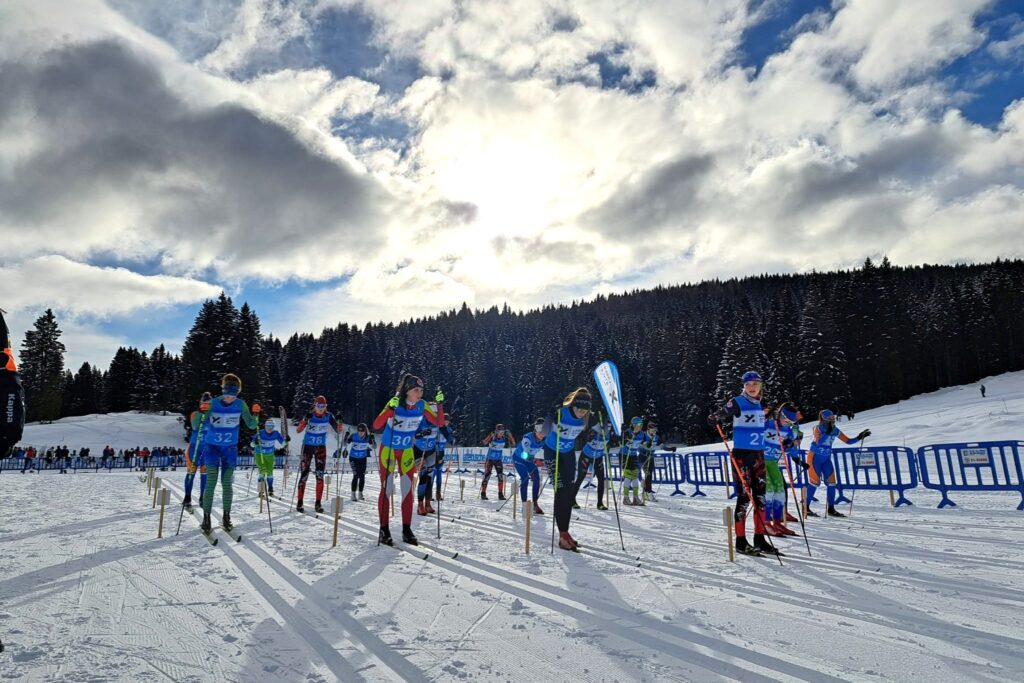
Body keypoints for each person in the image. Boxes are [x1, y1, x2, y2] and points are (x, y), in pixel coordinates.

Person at [373, 374, 445, 546]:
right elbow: (376, 425)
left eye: (421, 390)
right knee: (387, 488)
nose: (419, 394)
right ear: (407, 390)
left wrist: (440, 405)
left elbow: (439, 422)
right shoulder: (396, 402)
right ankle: (384, 529)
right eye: (416, 390)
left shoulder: (422, 405)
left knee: (408, 491)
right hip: (388, 450)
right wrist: (390, 409)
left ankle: (406, 528)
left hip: (406, 451)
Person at [709, 371, 775, 556]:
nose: (752, 387)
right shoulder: (738, 401)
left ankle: (760, 539)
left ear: (760, 386)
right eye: (748, 384)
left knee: (761, 498)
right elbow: (720, 414)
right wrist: (715, 418)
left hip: (759, 455)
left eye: (756, 384)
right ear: (744, 386)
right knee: (745, 498)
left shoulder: (761, 404)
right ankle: (740, 541)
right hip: (742, 456)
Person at [200, 374, 260, 534]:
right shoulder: (212, 403)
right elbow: (199, 424)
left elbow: (252, 424)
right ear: (222, 389)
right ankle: (206, 518)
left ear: (238, 393)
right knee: (211, 480)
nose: (229, 398)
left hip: (230, 449)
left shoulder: (241, 405)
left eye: (233, 395)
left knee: (227, 483)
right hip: (212, 448)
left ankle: (226, 516)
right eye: (227, 394)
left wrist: (256, 414)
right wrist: (202, 411)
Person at [542, 387, 593, 551]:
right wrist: (550, 416)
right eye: (578, 408)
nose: (581, 412)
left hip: (568, 454)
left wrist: (600, 427)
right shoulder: (561, 412)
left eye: (585, 410)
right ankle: (562, 534)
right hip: (552, 453)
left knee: (568, 493)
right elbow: (543, 432)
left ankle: (565, 532)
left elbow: (590, 434)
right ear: (572, 405)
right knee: (560, 489)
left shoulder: (585, 418)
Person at [806, 409, 870, 518]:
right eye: (830, 419)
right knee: (815, 482)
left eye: (833, 419)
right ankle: (806, 508)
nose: (832, 421)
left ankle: (831, 509)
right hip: (814, 458)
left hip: (826, 459)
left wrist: (860, 437)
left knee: (832, 483)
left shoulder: (835, 430)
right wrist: (827, 432)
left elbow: (848, 441)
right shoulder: (817, 428)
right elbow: (818, 442)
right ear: (824, 419)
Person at [294, 395, 344, 513]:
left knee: (320, 475)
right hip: (308, 447)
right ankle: (300, 502)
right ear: (314, 406)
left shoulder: (328, 416)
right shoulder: (310, 416)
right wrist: (304, 420)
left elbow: (339, 430)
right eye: (318, 406)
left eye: (323, 406)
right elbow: (298, 430)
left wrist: (340, 421)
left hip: (320, 448)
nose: (321, 408)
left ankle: (318, 503)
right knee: (304, 474)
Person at [762, 405, 800, 536]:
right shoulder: (768, 424)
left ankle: (777, 522)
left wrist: (796, 457)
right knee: (769, 490)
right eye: (786, 419)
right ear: (780, 415)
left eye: (790, 421)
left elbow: (791, 447)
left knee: (780, 491)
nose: (787, 422)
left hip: (772, 462)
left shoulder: (788, 431)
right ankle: (765, 522)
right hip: (761, 461)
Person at [0, 310, 25, 461]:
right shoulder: (10, 431)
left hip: (6, 375)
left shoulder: (11, 432)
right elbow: (12, 399)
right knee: (4, 349)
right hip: (5, 373)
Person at [573, 418, 613, 510]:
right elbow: (584, 437)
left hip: (598, 457)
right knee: (580, 477)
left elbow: (609, 445)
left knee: (601, 479)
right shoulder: (595, 431)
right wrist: (589, 437)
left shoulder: (609, 434)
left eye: (610, 428)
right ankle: (572, 500)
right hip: (586, 456)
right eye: (607, 427)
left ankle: (600, 503)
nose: (608, 430)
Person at [183, 392, 212, 512]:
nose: (206, 405)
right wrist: (203, 414)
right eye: (204, 403)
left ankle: (202, 498)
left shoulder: (214, 416)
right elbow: (195, 426)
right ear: (200, 404)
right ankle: (187, 497)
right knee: (191, 473)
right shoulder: (195, 414)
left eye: (208, 404)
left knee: (205, 475)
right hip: (194, 448)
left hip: (207, 449)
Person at [513, 418, 547, 516]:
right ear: (535, 430)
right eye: (540, 432)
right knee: (525, 478)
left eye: (544, 432)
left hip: (529, 460)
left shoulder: (544, 440)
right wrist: (538, 460)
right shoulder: (527, 438)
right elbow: (525, 455)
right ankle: (524, 505)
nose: (542, 435)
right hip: (519, 458)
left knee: (536, 477)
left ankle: (535, 504)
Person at [480, 423, 516, 500]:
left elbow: (513, 443)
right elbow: (484, 442)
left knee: (500, 476)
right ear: (496, 431)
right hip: (490, 459)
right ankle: (483, 493)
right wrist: (490, 436)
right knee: (487, 476)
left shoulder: (504, 438)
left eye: (502, 432)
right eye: (499, 432)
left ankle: (500, 494)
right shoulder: (493, 436)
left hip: (498, 460)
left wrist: (510, 435)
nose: (501, 434)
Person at [252, 418, 286, 498]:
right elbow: (252, 444)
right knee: (262, 472)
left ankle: (270, 488)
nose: (270, 428)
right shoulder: (260, 433)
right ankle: (261, 490)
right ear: (265, 426)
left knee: (270, 473)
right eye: (268, 426)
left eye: (271, 426)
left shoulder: (276, 433)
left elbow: (283, 443)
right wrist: (255, 442)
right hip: (260, 455)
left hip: (270, 455)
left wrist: (286, 441)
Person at [345, 423, 376, 501]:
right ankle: (353, 494)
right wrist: (346, 436)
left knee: (362, 476)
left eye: (362, 432)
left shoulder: (367, 437)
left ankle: (360, 493)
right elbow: (344, 444)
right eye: (359, 431)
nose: (360, 433)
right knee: (356, 475)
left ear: (365, 431)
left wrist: (373, 439)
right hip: (353, 458)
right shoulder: (353, 436)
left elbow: (374, 447)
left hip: (362, 458)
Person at [620, 417, 646, 506]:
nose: (640, 427)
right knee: (628, 475)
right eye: (638, 425)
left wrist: (650, 445)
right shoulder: (627, 431)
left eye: (641, 425)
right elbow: (621, 443)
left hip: (634, 455)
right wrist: (625, 436)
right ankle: (626, 497)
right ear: (633, 425)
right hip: (624, 455)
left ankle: (635, 497)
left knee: (635, 475)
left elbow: (645, 444)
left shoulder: (642, 434)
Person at [639, 419, 663, 502]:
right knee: (647, 475)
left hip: (651, 457)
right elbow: (644, 445)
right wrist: (649, 443)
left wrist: (670, 449)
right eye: (653, 429)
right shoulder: (643, 435)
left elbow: (661, 445)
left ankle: (646, 492)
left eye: (655, 429)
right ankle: (648, 493)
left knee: (649, 475)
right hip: (643, 457)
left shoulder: (656, 437)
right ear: (648, 429)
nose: (654, 431)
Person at [432, 416, 454, 502]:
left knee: (439, 473)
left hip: (441, 453)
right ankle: (428, 494)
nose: (446, 423)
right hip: (433, 452)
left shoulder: (448, 429)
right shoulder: (436, 428)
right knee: (432, 473)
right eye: (445, 421)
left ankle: (438, 494)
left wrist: (453, 440)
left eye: (447, 421)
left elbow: (451, 438)